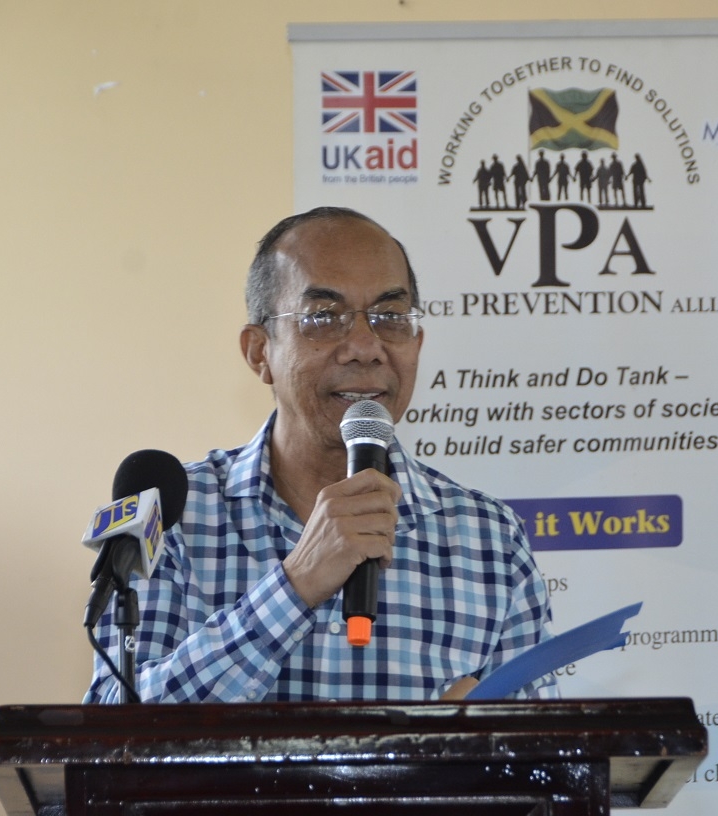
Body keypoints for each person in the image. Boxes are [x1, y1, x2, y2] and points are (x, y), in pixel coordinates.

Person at [85, 207, 557, 704]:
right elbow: (112, 726)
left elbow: (554, 759)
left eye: (391, 318)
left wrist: (460, 742)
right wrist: (297, 583)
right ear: (259, 352)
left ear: (417, 342)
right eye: (324, 318)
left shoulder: (489, 539)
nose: (365, 347)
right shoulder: (174, 513)